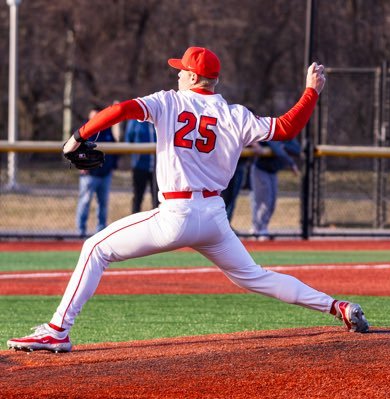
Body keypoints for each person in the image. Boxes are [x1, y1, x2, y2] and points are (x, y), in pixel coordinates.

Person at [8, 47, 368, 353]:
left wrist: (77, 137)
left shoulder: (168, 102)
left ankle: (58, 330)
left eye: (182, 71)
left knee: (95, 248)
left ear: (195, 79)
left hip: (175, 215)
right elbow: (288, 127)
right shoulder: (235, 114)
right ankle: (337, 306)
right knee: (254, 277)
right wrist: (311, 91)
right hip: (214, 217)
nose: (177, 75)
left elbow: (118, 112)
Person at [75, 108, 119, 238]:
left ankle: (101, 232)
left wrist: (112, 166)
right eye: (92, 117)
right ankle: (80, 231)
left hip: (105, 174)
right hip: (89, 175)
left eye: (96, 117)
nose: (93, 120)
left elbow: (115, 149)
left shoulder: (107, 130)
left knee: (103, 204)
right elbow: (75, 149)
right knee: (85, 202)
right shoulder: (84, 131)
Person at [250, 138, 301, 237]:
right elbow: (277, 149)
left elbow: (297, 149)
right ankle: (258, 230)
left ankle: (263, 228)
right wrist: (290, 161)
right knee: (264, 202)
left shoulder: (286, 134)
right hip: (261, 170)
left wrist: (283, 146)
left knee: (272, 203)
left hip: (273, 172)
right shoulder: (270, 131)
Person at [125, 119, 158, 213]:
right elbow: (129, 139)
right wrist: (135, 156)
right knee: (138, 197)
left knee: (157, 198)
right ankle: (134, 223)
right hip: (140, 166)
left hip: (157, 167)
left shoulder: (157, 120)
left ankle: (157, 225)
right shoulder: (135, 122)